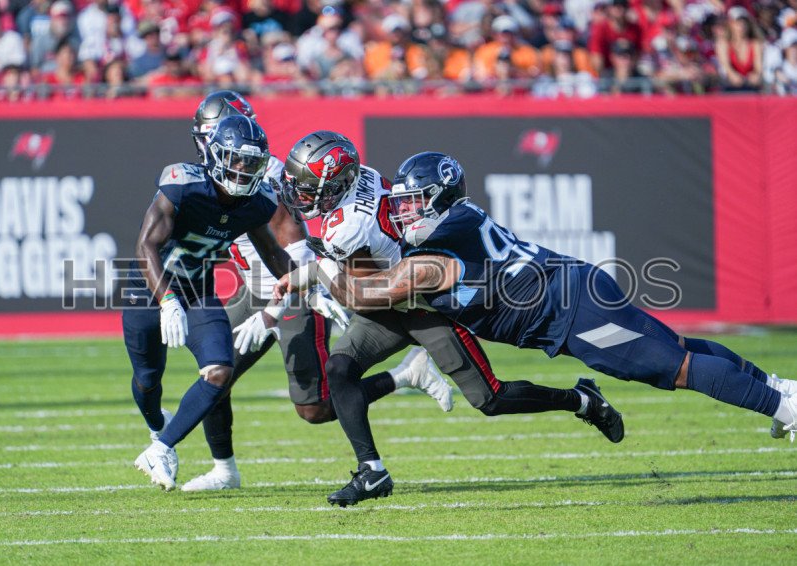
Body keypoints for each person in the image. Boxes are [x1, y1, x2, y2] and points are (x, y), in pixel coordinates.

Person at [279, 151, 797, 502]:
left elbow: (363, 295)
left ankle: (784, 407)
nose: (404, 210)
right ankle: (778, 388)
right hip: (573, 290)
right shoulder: (462, 216)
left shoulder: (430, 261)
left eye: (414, 202)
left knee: (675, 368)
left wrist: (317, 268)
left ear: (438, 199)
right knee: (679, 348)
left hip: (571, 313)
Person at [274, 138, 624, 507]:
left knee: (490, 398)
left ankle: (583, 400)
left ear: (339, 183)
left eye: (308, 188)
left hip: (425, 303)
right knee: (340, 369)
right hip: (391, 299)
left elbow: (358, 295)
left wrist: (317, 272)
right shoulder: (364, 179)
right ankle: (371, 471)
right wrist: (313, 273)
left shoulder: (347, 226)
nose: (301, 195)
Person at [180, 91, 451, 492]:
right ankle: (225, 470)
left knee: (315, 409)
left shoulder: (264, 175)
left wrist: (282, 304)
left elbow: (291, 247)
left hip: (295, 291)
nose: (210, 146)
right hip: (253, 291)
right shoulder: (213, 175)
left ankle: (405, 375)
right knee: (214, 375)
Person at [123, 112, 296, 492]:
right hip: (147, 290)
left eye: (251, 162)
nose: (243, 169)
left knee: (220, 371)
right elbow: (145, 246)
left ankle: (161, 449)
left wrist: (308, 284)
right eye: (237, 159)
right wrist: (167, 301)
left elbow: (272, 251)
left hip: (198, 291)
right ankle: (157, 426)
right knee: (148, 380)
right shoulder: (184, 185)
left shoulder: (256, 202)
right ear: (215, 154)